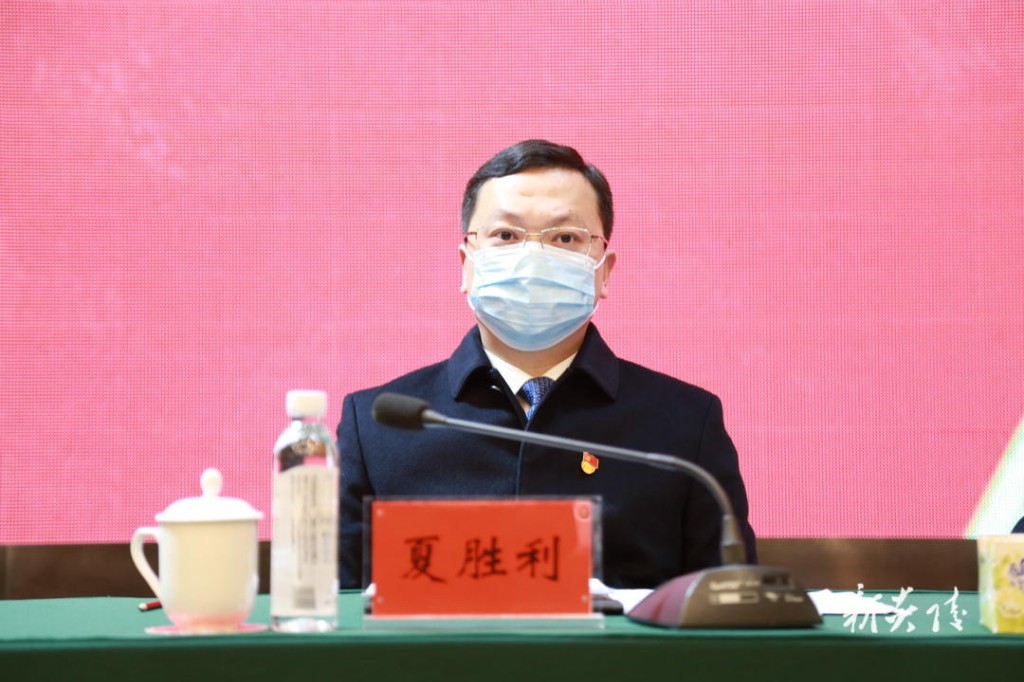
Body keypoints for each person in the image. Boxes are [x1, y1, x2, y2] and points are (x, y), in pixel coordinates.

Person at [337, 139, 756, 589]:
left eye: (565, 238)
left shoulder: (685, 424)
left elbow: (730, 608)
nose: (532, 258)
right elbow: (335, 607)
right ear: (466, 265)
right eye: (506, 236)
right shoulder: (379, 426)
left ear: (604, 270)